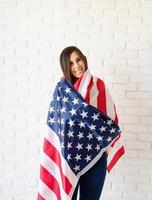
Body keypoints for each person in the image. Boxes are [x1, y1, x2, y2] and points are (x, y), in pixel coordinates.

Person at [38, 46, 125, 200]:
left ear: (84, 59)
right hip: (70, 159)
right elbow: (56, 127)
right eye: (71, 63)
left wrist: (104, 150)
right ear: (66, 67)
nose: (77, 66)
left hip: (96, 158)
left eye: (78, 60)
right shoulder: (62, 90)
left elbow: (111, 122)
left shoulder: (99, 86)